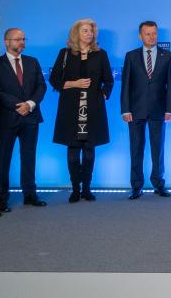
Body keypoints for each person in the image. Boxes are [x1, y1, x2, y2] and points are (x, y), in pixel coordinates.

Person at [50, 19, 114, 203]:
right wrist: (73, 84)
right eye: (85, 30)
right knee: (72, 149)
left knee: (89, 150)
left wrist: (103, 94)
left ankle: (86, 188)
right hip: (70, 108)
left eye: (92, 31)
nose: (90, 34)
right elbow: (54, 80)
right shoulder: (64, 54)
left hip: (93, 108)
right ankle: (75, 189)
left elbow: (108, 80)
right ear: (76, 33)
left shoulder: (101, 54)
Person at [120, 21, 171, 200]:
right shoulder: (131, 56)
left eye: (154, 33)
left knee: (157, 149)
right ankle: (136, 186)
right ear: (140, 36)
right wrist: (125, 109)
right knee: (136, 149)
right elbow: (126, 85)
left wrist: (170, 109)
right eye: (148, 34)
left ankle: (159, 184)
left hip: (159, 110)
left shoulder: (168, 56)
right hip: (135, 111)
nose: (152, 37)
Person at [0, 28, 45, 214]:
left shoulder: (32, 62)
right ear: (7, 42)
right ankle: (1, 199)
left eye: (24, 39)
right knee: (2, 160)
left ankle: (30, 194)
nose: (22, 42)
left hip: (30, 118)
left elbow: (41, 86)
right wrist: (18, 105)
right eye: (17, 39)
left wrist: (30, 104)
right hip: (6, 119)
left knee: (29, 157)